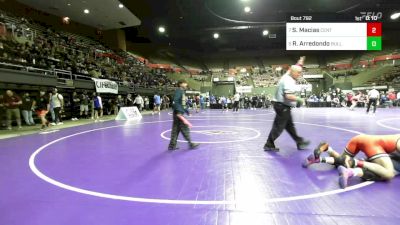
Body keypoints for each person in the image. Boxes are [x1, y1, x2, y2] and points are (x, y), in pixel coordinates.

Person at [303, 134, 400, 188]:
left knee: (342, 161)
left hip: (359, 139)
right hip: (373, 145)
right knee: (388, 173)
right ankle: (354, 162)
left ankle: (327, 149)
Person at [264, 56, 310, 152]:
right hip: (282, 106)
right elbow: (288, 96)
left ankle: (299, 142)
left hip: (282, 105)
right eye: (298, 73)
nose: (299, 74)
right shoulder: (288, 80)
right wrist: (300, 99)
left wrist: (300, 62)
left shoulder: (288, 74)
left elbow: (294, 68)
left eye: (300, 72)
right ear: (293, 72)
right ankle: (269, 144)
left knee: (289, 126)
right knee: (278, 127)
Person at [168, 79, 199, 151]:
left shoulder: (181, 92)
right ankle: (191, 144)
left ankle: (172, 145)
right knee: (185, 128)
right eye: (185, 83)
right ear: (180, 84)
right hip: (179, 114)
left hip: (177, 113)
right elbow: (175, 102)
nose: (186, 84)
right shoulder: (179, 91)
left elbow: (182, 104)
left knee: (175, 130)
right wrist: (179, 112)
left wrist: (187, 112)